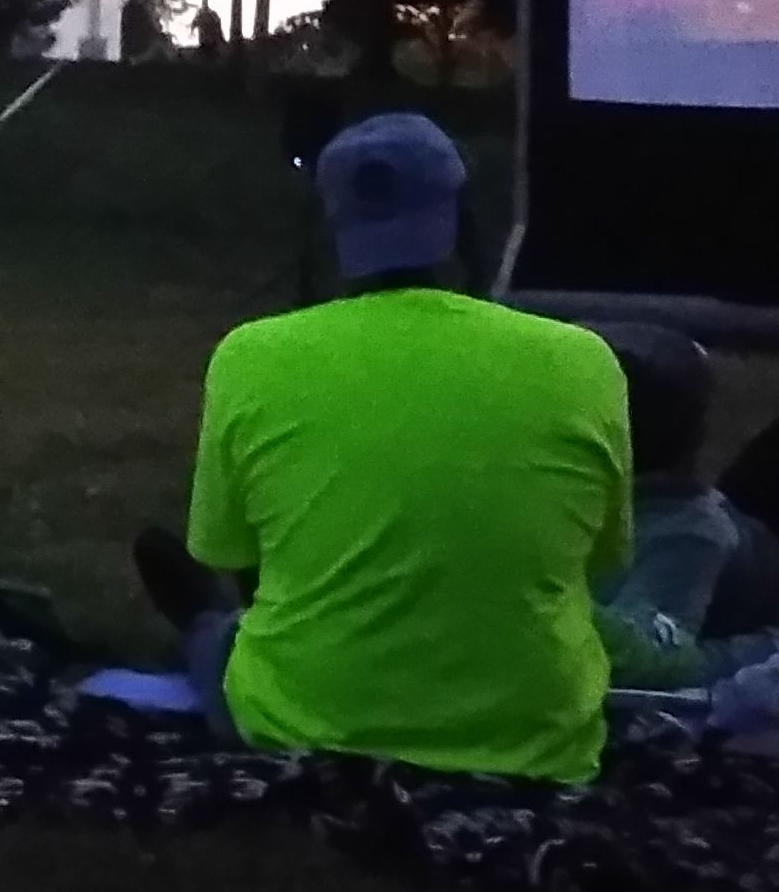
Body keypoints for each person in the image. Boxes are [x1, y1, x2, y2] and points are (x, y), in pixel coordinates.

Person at [164, 110, 631, 783]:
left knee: (213, 630)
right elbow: (601, 562)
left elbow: (243, 563)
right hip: (538, 740)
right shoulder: (584, 361)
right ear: (464, 217)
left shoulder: (248, 357)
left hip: (302, 725)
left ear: (333, 227)